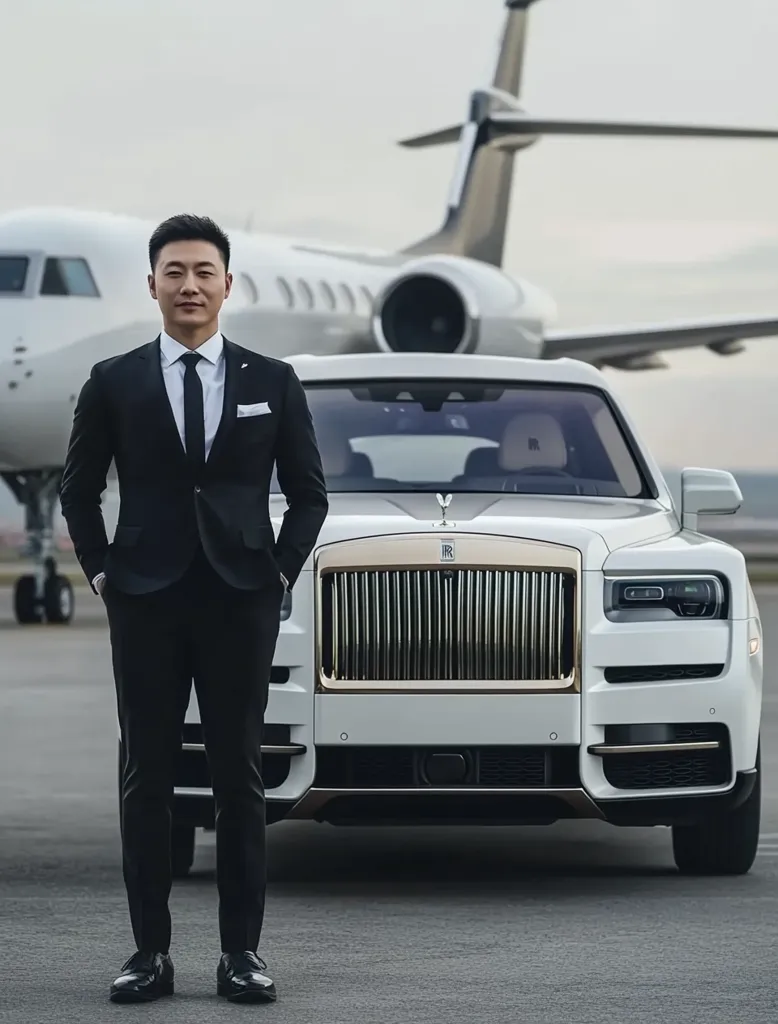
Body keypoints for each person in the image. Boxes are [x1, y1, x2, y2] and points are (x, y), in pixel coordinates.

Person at [59, 213, 328, 1004]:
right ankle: (149, 954)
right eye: (173, 272)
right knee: (144, 779)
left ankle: (241, 954)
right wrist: (104, 573)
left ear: (226, 285)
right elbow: (78, 492)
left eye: (203, 271)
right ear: (152, 285)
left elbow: (309, 496)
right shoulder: (113, 381)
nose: (189, 285)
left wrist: (278, 573)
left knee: (238, 778)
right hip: (143, 601)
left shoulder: (271, 381)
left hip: (240, 601)